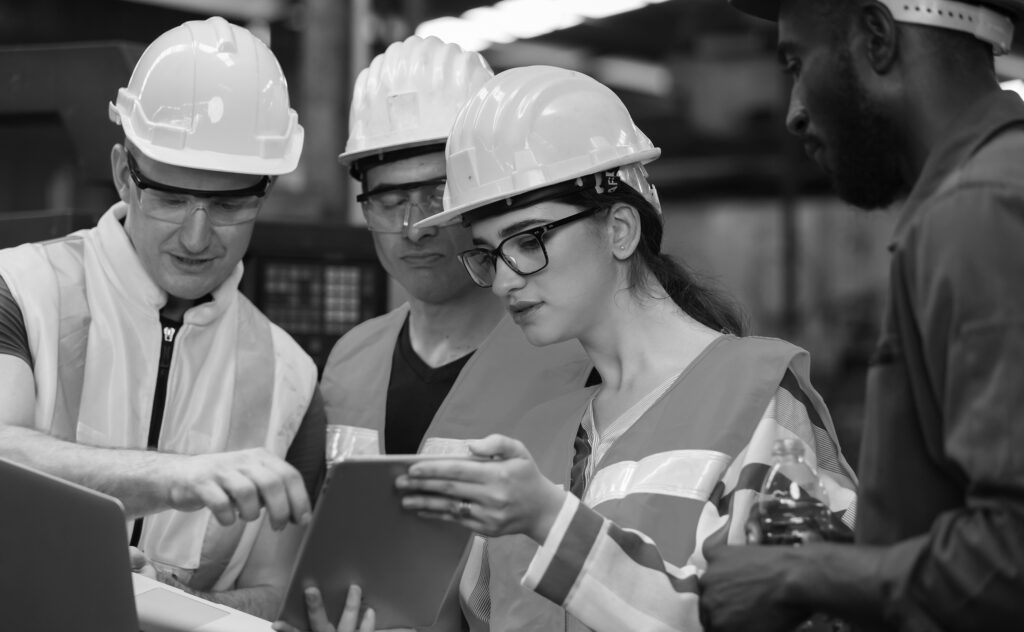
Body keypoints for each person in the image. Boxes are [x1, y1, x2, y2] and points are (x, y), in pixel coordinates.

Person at [387, 65, 854, 632]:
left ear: (620, 230)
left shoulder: (758, 402)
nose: (506, 281)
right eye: (488, 254)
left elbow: (823, 616)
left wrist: (552, 522)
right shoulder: (533, 440)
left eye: (528, 240)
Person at [698, 0, 1024, 630]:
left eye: (797, 61)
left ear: (877, 38)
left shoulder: (979, 213)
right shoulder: (981, 197)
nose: (793, 110)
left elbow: (1011, 552)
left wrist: (799, 575)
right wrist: (857, 555)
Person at [0, 17, 325, 618]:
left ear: (264, 193)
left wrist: (164, 601)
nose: (198, 237)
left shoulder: (291, 378)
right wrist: (174, 478)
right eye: (172, 198)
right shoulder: (19, 288)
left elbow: (284, 594)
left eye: (228, 204)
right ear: (125, 172)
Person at [287, 38, 591, 632]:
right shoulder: (349, 360)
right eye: (388, 199)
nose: (412, 228)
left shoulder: (571, 364)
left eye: (434, 197)